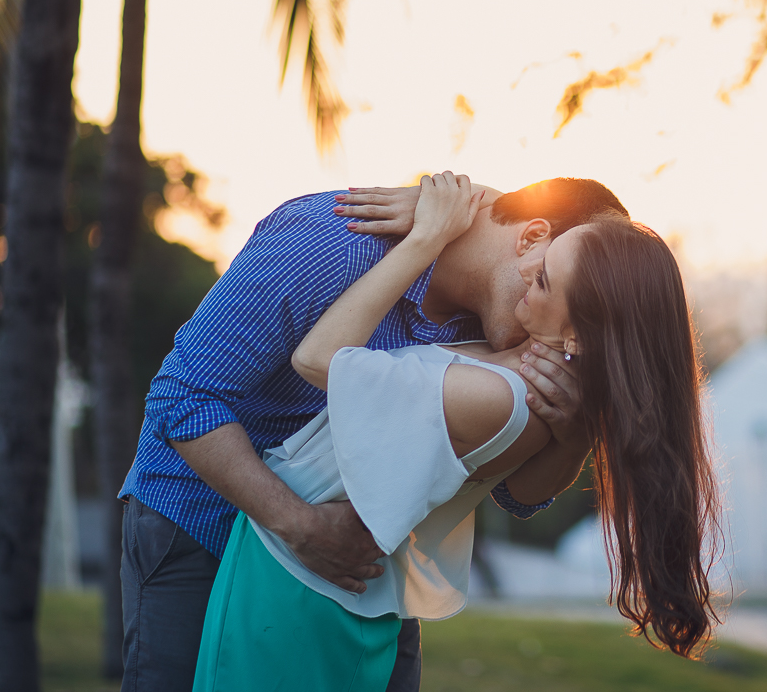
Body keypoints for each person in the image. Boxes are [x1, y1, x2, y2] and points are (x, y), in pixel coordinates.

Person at [191, 173, 721, 690]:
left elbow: (318, 359)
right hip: (325, 585)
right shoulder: (526, 371)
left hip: (295, 589)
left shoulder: (502, 395)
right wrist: (449, 198)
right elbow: (514, 227)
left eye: (543, 279)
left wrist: (425, 237)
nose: (530, 264)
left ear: (577, 332)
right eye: (538, 252)